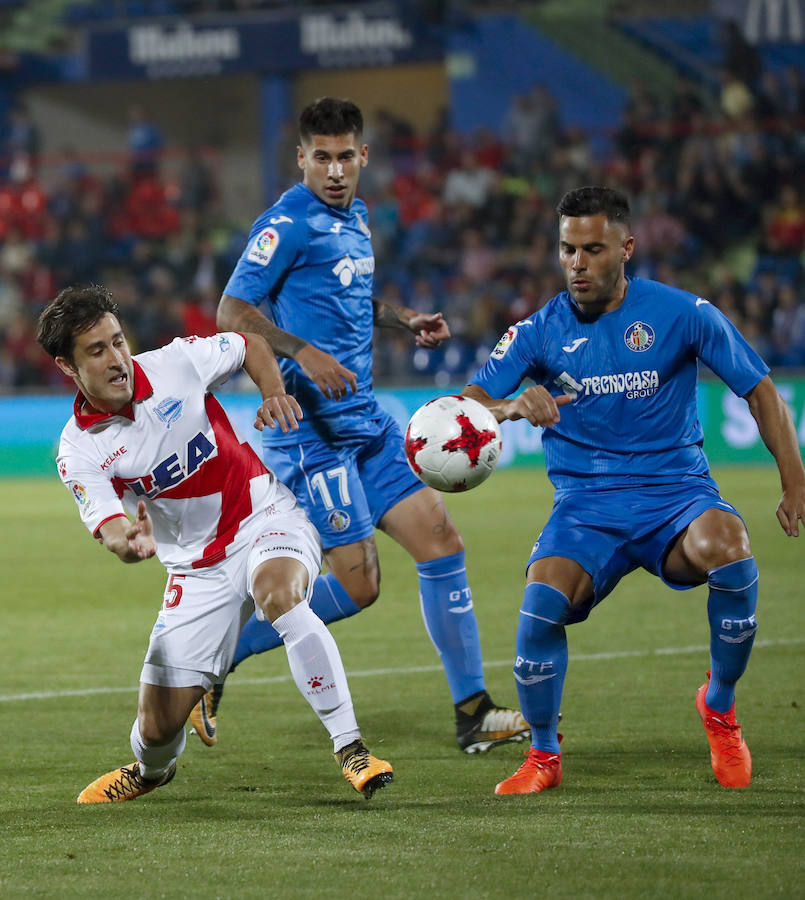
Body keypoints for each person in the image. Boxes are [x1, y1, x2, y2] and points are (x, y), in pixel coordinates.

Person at [461, 186, 805, 795]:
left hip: (676, 495)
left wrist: (794, 479)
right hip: (586, 506)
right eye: (568, 249)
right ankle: (544, 756)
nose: (577, 263)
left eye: (593, 249)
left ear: (626, 247)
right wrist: (512, 405)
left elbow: (760, 391)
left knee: (729, 545)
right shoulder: (537, 331)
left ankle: (719, 709)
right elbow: (465, 406)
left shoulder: (684, 313)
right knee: (541, 604)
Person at [210, 97, 528, 754]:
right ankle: (213, 656)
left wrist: (404, 319)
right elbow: (231, 311)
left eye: (344, 156)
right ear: (300, 157)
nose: (333, 169)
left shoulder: (354, 218)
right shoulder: (286, 223)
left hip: (367, 423)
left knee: (442, 542)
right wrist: (301, 350)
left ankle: (473, 714)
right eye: (320, 157)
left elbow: (353, 296)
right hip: (309, 435)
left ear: (363, 157)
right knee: (359, 587)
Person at [36, 284, 393, 803]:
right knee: (156, 730)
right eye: (97, 350)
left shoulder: (175, 363)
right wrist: (127, 543)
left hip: (264, 518)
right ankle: (151, 771)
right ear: (66, 366)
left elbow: (247, 342)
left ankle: (351, 748)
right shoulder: (79, 448)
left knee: (281, 595)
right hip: (194, 570)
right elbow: (109, 524)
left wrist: (274, 392)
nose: (117, 359)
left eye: (118, 341)